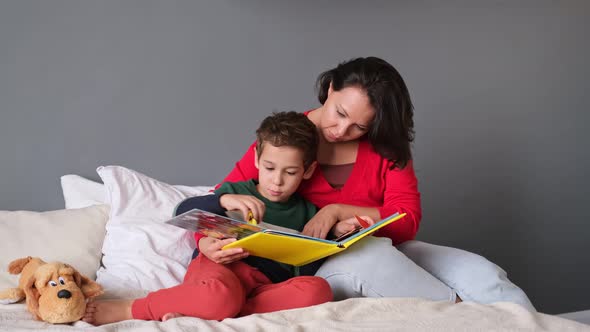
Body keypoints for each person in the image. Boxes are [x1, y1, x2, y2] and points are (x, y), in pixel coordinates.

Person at [214, 57, 536, 311]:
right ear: (329, 90)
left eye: (358, 127)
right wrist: (216, 234)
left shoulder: (385, 145)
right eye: (339, 113)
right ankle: (470, 321)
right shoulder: (287, 137)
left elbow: (406, 221)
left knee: (482, 274)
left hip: (385, 247)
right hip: (319, 267)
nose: (341, 131)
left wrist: (337, 211)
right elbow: (222, 198)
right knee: (372, 257)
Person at [83, 111, 333, 325]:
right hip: (219, 270)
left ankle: (205, 311)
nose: (277, 180)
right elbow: (183, 211)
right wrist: (222, 200)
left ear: (307, 170)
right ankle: (132, 308)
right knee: (220, 296)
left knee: (318, 290)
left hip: (263, 288)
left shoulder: (309, 213)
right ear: (257, 159)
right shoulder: (236, 192)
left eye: (290, 172)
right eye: (269, 168)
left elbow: (306, 266)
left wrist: (333, 235)